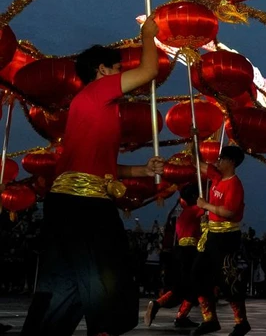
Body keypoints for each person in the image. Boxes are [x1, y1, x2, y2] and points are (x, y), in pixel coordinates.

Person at [21, 17, 165, 336]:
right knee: (108, 278)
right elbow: (149, 71)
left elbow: (105, 166)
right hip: (84, 205)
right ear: (102, 70)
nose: (120, 76)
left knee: (66, 283)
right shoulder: (98, 91)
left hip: (69, 205)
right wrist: (148, 37)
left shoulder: (97, 107)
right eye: (116, 69)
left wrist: (143, 170)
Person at [192, 145, 250, 336]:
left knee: (228, 279)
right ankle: (210, 319)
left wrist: (206, 205)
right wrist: (194, 139)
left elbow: (229, 212)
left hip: (226, 237)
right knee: (198, 275)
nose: (218, 162)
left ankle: (241, 322)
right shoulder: (217, 177)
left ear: (231, 162)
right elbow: (197, 163)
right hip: (211, 236)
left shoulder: (235, 184)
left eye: (222, 159)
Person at [145, 184, 204, 329]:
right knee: (193, 287)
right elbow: (209, 209)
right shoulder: (195, 210)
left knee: (180, 288)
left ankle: (158, 304)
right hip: (190, 252)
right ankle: (180, 316)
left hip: (179, 252)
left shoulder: (182, 215)